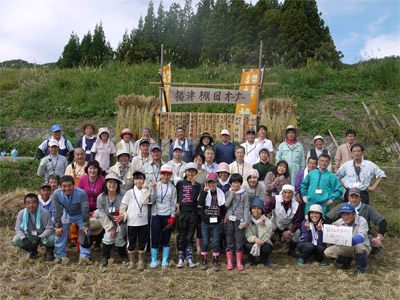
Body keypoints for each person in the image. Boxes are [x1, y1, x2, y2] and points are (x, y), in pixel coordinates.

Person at [324, 188, 387, 254]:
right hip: (344, 235)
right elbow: (328, 218)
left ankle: (361, 254)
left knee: (372, 245)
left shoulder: (367, 208)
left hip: (363, 234)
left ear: (360, 198)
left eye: (356, 197)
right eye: (352, 197)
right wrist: (333, 228)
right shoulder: (341, 206)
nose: (354, 200)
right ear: (348, 197)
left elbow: (382, 221)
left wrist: (378, 237)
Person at [53, 176, 91, 264]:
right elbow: (56, 210)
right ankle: (60, 255)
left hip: (80, 215)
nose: (67, 188)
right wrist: (58, 226)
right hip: (67, 214)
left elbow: (86, 209)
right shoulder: (56, 194)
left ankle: (85, 256)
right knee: (60, 232)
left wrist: (86, 224)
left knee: (85, 233)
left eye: (69, 185)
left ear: (74, 185)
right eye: (64, 186)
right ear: (60, 186)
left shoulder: (81, 193)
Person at [324, 203, 371, 276]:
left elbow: (360, 238)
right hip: (348, 247)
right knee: (328, 252)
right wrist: (333, 229)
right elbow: (333, 237)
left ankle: (360, 268)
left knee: (358, 246)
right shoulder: (340, 221)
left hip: (363, 247)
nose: (345, 217)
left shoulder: (362, 220)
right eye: (343, 214)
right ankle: (346, 260)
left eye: (348, 214)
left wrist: (345, 240)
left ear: (354, 214)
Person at [119, 171, 150, 271]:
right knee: (131, 242)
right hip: (132, 222)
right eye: (136, 179)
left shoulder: (147, 191)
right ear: (133, 180)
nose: (139, 181)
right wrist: (124, 215)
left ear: (144, 180)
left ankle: (141, 261)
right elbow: (123, 207)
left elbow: (146, 201)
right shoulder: (129, 193)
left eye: (141, 178)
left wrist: (147, 189)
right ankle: (131, 262)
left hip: (143, 221)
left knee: (143, 241)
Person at [96, 173, 128, 267]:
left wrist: (123, 215)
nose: (112, 185)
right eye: (110, 182)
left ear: (118, 184)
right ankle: (105, 258)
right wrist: (110, 228)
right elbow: (101, 214)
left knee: (118, 238)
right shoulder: (101, 197)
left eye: (115, 182)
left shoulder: (124, 195)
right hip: (108, 220)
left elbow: (129, 209)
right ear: (106, 184)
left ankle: (123, 256)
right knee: (108, 237)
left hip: (122, 221)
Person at [149, 165, 177, 269]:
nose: (165, 176)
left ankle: (165, 260)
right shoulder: (156, 185)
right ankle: (154, 260)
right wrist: (153, 188)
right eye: (163, 174)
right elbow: (151, 200)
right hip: (156, 215)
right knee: (155, 238)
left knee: (166, 238)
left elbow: (174, 203)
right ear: (160, 174)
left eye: (168, 174)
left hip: (167, 216)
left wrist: (173, 216)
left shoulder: (173, 188)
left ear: (170, 176)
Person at [12, 193, 55, 261]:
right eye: (28, 203)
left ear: (38, 203)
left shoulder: (44, 212)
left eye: (34, 202)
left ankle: (49, 251)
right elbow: (18, 229)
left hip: (43, 237)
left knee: (52, 239)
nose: (31, 205)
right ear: (25, 205)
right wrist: (24, 239)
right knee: (16, 240)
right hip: (30, 236)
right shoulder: (21, 213)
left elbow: (50, 228)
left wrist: (39, 238)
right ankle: (32, 250)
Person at [265, 184, 302, 258]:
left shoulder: (296, 205)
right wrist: (267, 223)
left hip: (289, 223)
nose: (287, 195)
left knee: (297, 232)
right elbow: (265, 210)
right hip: (275, 221)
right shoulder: (275, 199)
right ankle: (267, 250)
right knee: (267, 231)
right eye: (285, 192)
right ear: (282, 193)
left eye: (289, 193)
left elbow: (297, 222)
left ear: (293, 194)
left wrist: (289, 232)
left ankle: (291, 250)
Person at [176, 163, 202, 268]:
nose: (191, 173)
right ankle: (181, 256)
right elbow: (177, 195)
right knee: (181, 234)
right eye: (189, 171)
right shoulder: (180, 183)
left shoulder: (198, 185)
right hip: (182, 212)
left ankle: (189, 256)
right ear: (186, 172)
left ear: (196, 172)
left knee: (190, 235)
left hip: (193, 212)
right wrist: (177, 204)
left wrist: (193, 184)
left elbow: (193, 198)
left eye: (193, 171)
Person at [198, 173, 226, 271]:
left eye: (213, 182)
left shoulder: (220, 193)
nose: (212, 184)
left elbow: (223, 207)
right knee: (205, 241)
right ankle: (204, 260)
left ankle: (215, 260)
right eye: (209, 182)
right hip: (205, 222)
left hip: (216, 222)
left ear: (217, 182)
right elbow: (200, 205)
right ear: (207, 183)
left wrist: (222, 218)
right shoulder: (204, 192)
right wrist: (204, 193)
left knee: (215, 241)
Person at [224, 173, 250, 271]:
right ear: (230, 183)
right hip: (230, 220)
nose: (236, 185)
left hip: (240, 220)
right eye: (234, 183)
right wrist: (232, 194)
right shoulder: (228, 193)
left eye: (238, 183)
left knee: (239, 240)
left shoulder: (244, 194)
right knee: (229, 240)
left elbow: (246, 208)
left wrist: (246, 220)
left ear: (241, 183)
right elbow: (226, 205)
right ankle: (230, 262)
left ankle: (239, 262)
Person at [78, 160, 105, 252]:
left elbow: (104, 194)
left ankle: (98, 243)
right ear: (87, 169)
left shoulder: (102, 179)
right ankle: (86, 242)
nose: (93, 171)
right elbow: (79, 195)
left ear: (98, 169)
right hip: (85, 207)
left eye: (95, 168)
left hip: (98, 207)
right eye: (91, 168)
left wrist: (100, 209)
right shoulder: (82, 179)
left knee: (99, 224)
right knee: (86, 225)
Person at [245, 198, 273, 267]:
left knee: (267, 248)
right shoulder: (247, 220)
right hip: (252, 241)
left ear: (262, 210)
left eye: (259, 209)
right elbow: (248, 234)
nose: (256, 211)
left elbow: (267, 236)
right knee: (248, 246)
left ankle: (264, 259)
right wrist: (255, 239)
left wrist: (262, 226)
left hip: (263, 242)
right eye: (254, 208)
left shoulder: (267, 222)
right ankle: (251, 259)